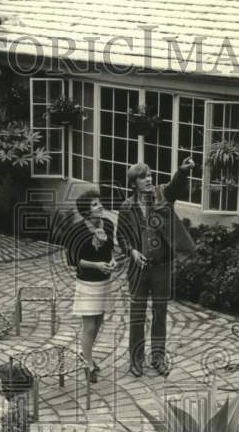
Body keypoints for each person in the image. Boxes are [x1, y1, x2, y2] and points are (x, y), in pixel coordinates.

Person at [118, 157, 197, 376]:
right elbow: (121, 236)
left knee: (160, 314)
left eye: (150, 175)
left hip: (162, 267)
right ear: (133, 183)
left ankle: (158, 358)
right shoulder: (127, 207)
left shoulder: (162, 195)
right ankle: (136, 359)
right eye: (143, 177)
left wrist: (182, 171)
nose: (149, 179)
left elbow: (175, 187)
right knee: (137, 315)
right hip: (138, 270)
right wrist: (132, 251)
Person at [64, 190, 117, 383]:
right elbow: (73, 260)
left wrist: (112, 261)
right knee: (89, 325)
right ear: (86, 211)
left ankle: (85, 353)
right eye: (95, 204)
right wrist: (96, 265)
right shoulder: (77, 231)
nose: (100, 206)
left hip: (104, 282)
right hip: (87, 283)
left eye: (99, 202)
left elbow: (110, 249)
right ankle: (88, 364)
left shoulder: (108, 225)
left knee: (99, 321)